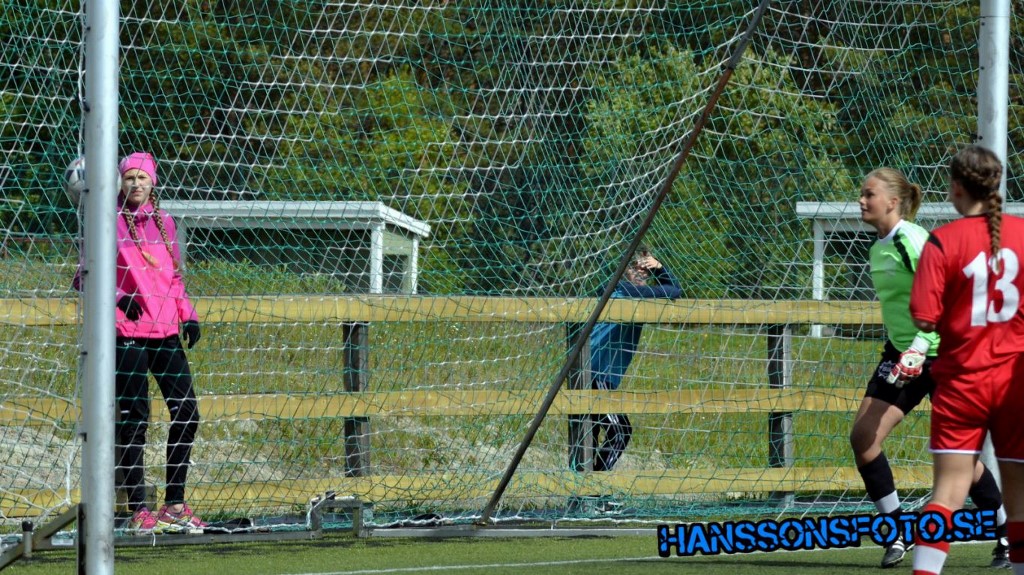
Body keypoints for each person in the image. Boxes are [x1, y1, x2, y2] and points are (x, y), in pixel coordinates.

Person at [849, 167, 1009, 568]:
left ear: (893, 202)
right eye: (861, 194)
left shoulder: (914, 240)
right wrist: (905, 353)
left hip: (944, 356)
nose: (861, 200)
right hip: (903, 357)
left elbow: (949, 295)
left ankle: (1006, 531)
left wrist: (920, 347)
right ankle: (896, 534)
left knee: (960, 458)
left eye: (869, 194)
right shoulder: (878, 247)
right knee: (864, 438)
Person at [74, 152, 205, 534]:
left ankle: (174, 504)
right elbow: (83, 275)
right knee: (136, 420)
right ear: (119, 182)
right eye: (129, 177)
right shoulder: (106, 220)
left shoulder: (165, 223)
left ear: (153, 182)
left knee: (187, 412)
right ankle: (139, 510)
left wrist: (188, 314)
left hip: (165, 332)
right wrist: (118, 297)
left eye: (142, 178)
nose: (135, 184)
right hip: (127, 332)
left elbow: (174, 278)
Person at [908, 145, 1024, 575]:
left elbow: (923, 316)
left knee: (947, 493)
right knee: (1020, 500)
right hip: (1015, 383)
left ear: (956, 187)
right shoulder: (1023, 234)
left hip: (962, 383)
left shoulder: (943, 240)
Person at [588, 245, 681, 475]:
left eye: (646, 270)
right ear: (624, 269)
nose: (641, 273)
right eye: (635, 267)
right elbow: (674, 289)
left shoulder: (638, 297)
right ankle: (596, 483)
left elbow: (674, 291)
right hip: (594, 376)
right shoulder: (622, 290)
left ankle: (589, 487)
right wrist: (660, 270)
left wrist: (658, 267)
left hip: (600, 378)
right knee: (620, 431)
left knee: (591, 434)